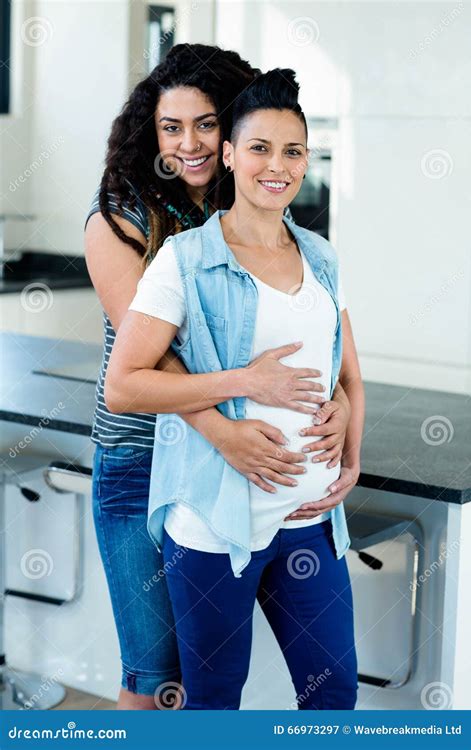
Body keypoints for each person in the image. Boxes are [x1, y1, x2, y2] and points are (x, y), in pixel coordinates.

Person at [86, 44, 352, 710]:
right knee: (156, 675)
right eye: (171, 129)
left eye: (206, 124)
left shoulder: (268, 224)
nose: (191, 144)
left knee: (242, 682)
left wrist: (347, 410)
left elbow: (329, 345)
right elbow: (159, 362)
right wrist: (225, 429)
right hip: (141, 454)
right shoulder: (126, 222)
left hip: (236, 475)